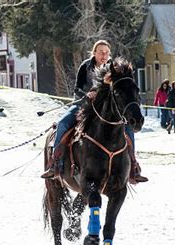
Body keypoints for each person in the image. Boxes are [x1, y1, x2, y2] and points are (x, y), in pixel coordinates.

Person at [41, 40, 147, 183]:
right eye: (101, 52)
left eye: (106, 52)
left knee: (127, 127)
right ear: (94, 53)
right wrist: (86, 95)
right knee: (63, 123)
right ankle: (55, 163)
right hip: (83, 105)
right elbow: (77, 88)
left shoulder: (113, 70)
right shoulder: (85, 66)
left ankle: (133, 166)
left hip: (106, 110)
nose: (104, 55)